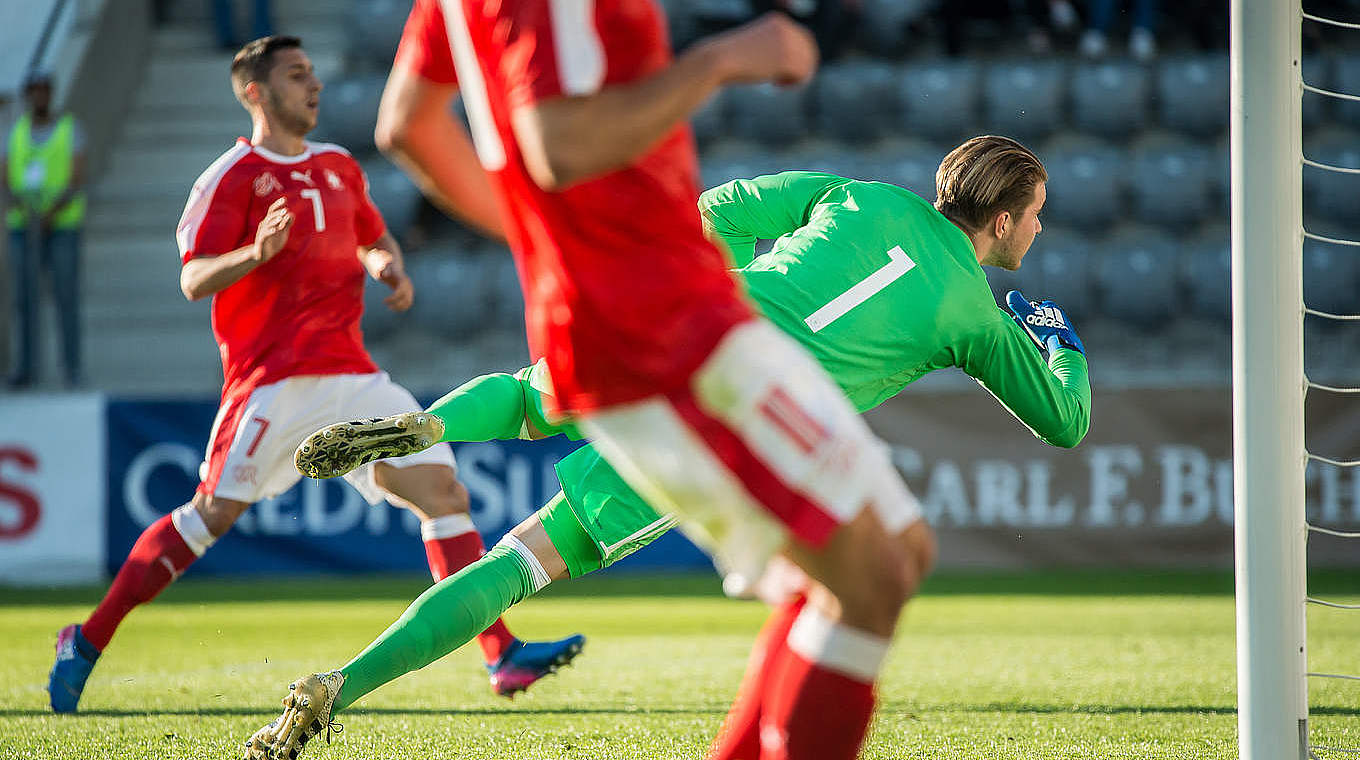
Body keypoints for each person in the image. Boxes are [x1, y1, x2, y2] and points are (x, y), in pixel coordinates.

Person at [244, 138, 1091, 759]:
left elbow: (714, 212)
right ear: (1005, 220)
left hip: (690, 329)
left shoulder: (857, 193)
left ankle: (433, 424)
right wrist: (1060, 343)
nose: (1040, 231)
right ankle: (337, 686)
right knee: (523, 563)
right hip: (742, 419)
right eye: (1038, 217)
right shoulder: (979, 316)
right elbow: (1066, 421)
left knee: (533, 400)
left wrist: (724, 286)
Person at [43, 36, 583, 716]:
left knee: (444, 492)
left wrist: (385, 263)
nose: (314, 85)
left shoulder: (338, 167)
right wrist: (255, 251)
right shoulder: (229, 177)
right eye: (295, 76)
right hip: (273, 381)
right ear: (254, 92)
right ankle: (84, 641)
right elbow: (192, 279)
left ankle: (500, 654)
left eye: (312, 73)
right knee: (209, 518)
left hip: (353, 376)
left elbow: (372, 236)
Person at [3, 71, 86, 388]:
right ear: (27, 95)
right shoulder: (16, 132)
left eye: (45, 90)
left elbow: (77, 176)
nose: (40, 96)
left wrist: (50, 213)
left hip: (61, 225)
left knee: (66, 296)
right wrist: (26, 210)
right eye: (34, 91)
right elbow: (6, 176)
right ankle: (26, 368)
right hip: (24, 227)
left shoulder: (69, 129)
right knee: (24, 300)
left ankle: (72, 368)